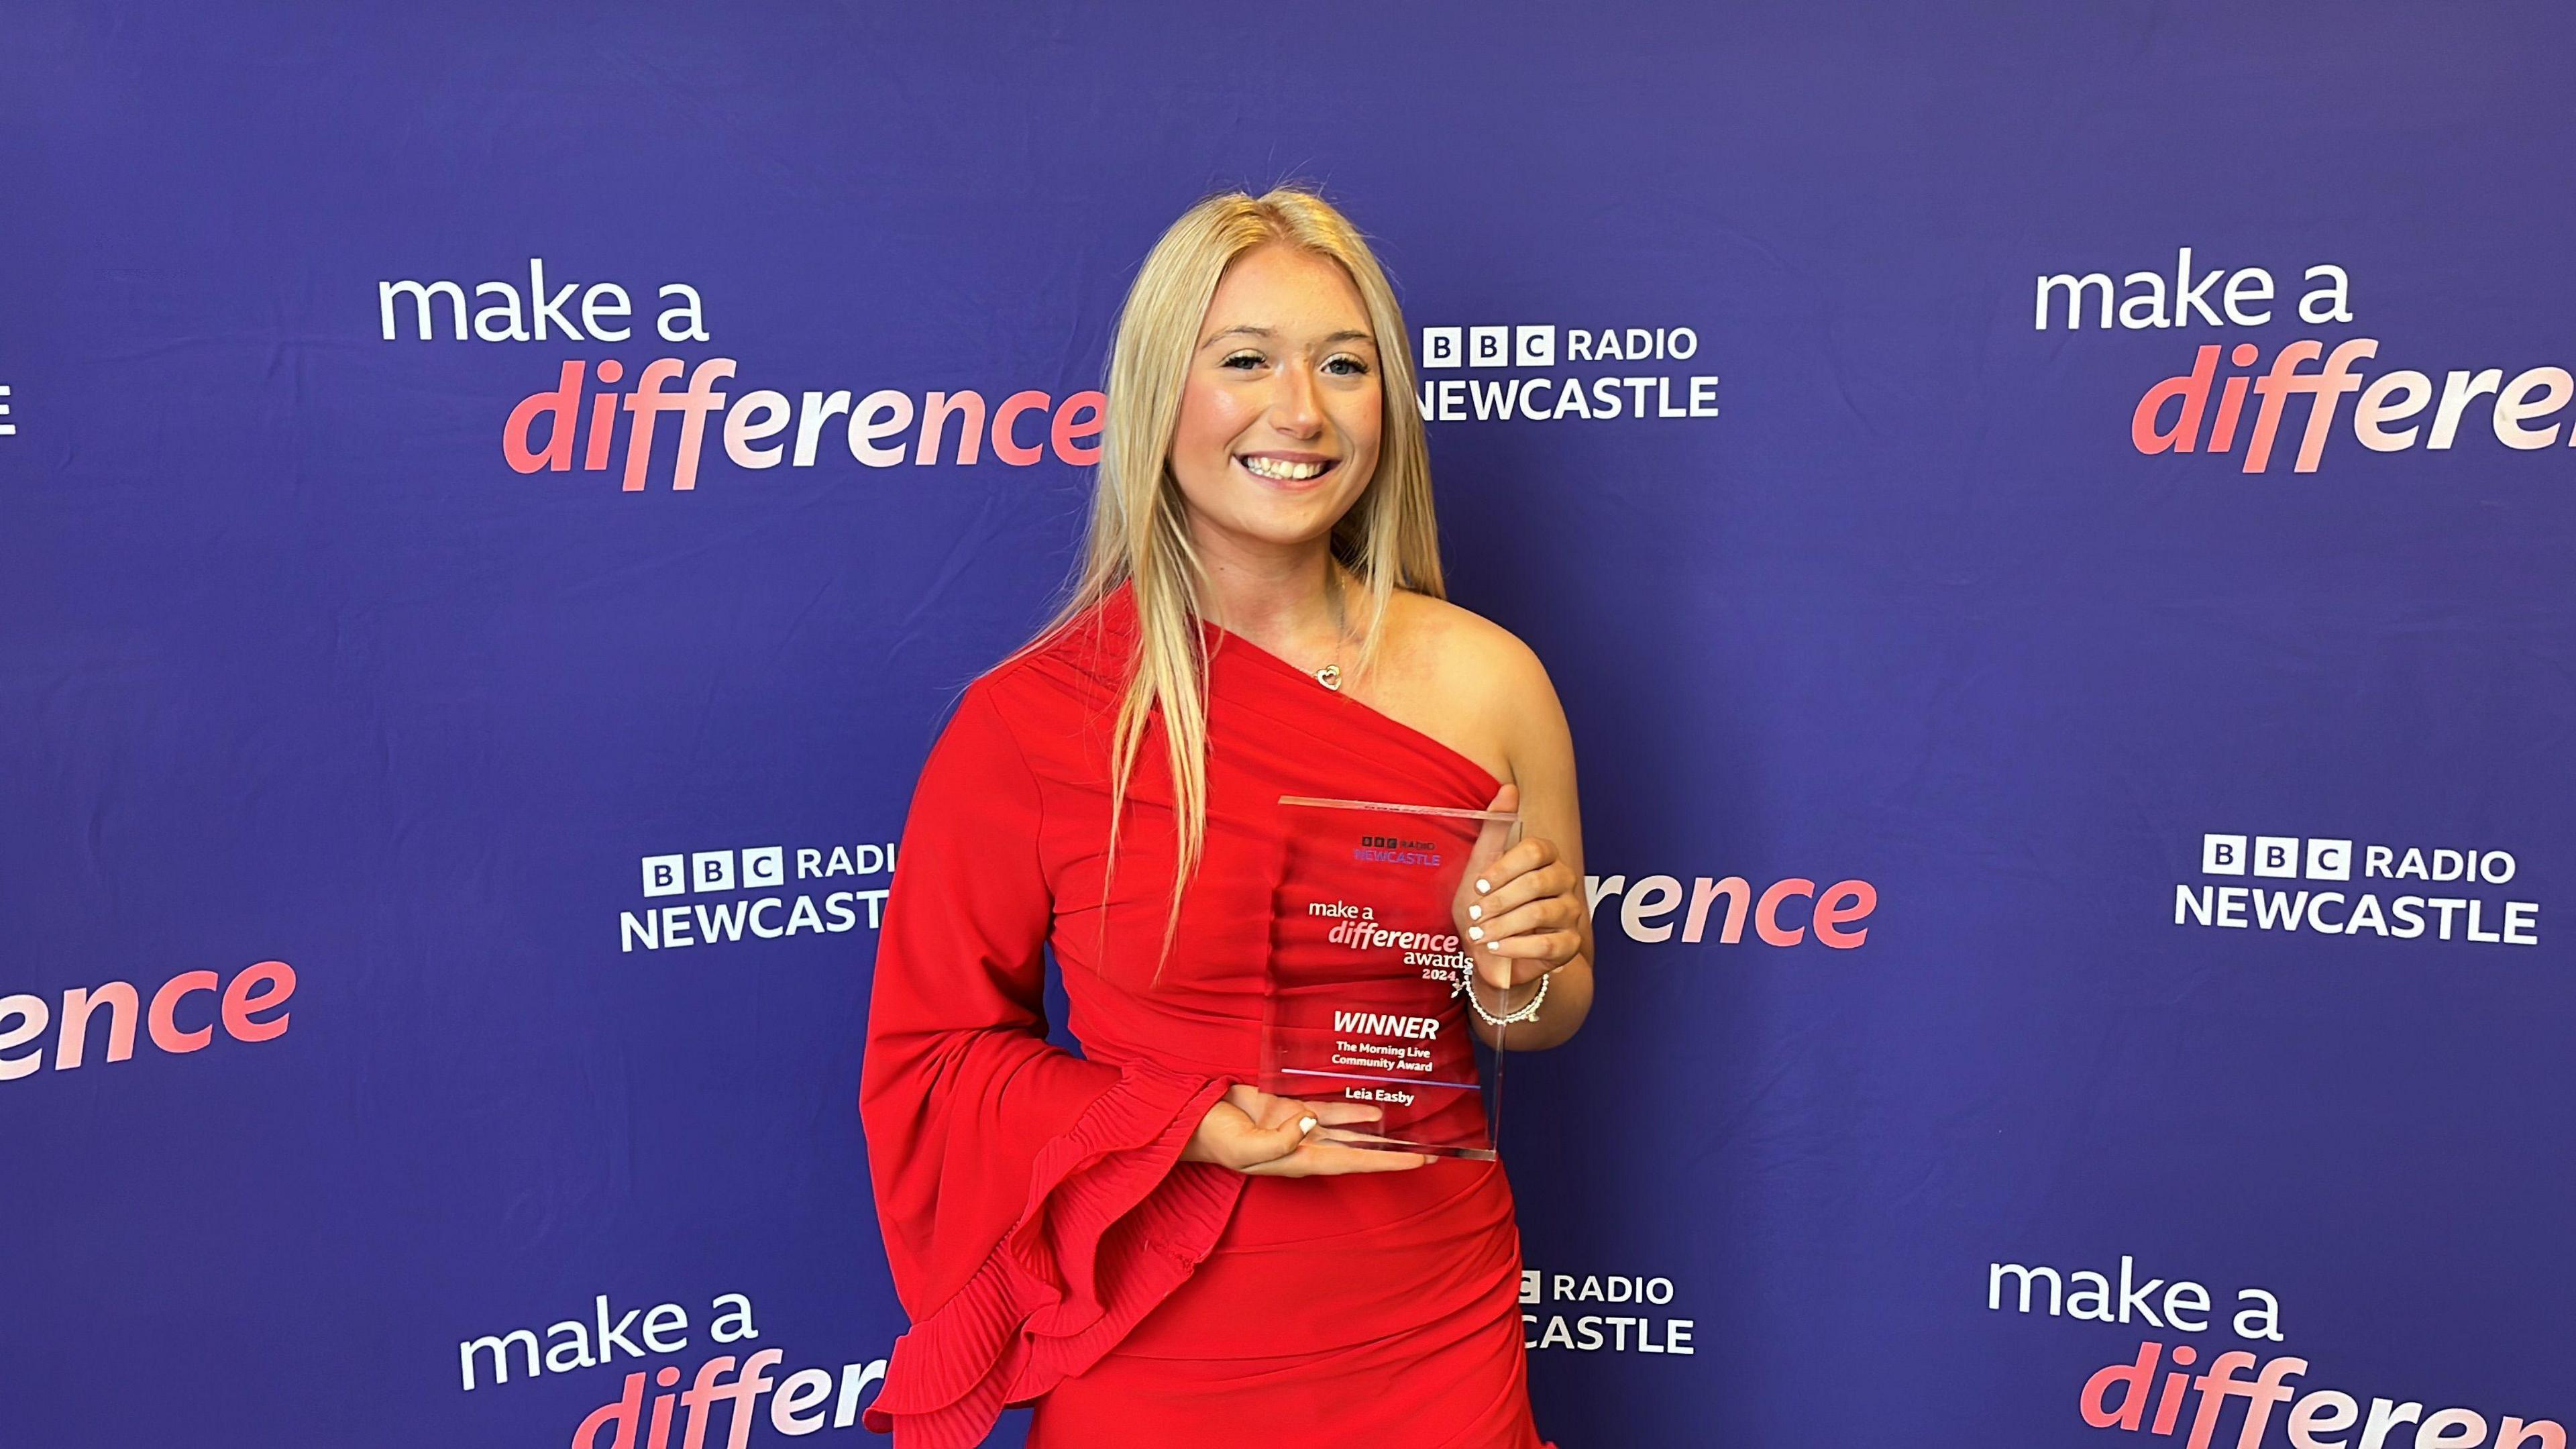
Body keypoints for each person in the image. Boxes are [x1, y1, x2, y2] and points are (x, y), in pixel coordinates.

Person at [859, 184, 1594, 1448]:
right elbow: (928, 1065)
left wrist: (1518, 970)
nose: (1299, 411)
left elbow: (1545, 1015)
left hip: (1432, 1320)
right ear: (1161, 399)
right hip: (1164, 1328)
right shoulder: (1026, 723)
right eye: (1245, 361)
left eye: (1344, 366)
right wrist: (1182, 1119)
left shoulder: (1491, 681)